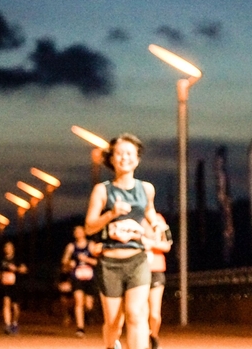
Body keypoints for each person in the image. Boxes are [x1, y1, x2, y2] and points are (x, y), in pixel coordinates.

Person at [85, 133, 160, 349]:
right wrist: (111, 214)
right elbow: (89, 226)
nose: (124, 157)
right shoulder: (102, 190)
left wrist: (156, 225)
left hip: (137, 260)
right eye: (119, 153)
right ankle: (112, 345)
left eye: (129, 153)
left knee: (136, 314)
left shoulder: (146, 189)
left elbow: (149, 209)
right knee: (113, 323)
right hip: (110, 263)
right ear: (111, 159)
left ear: (137, 159)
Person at [61, 225, 98, 337]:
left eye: (80, 231)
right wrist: (69, 263)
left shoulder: (91, 245)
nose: (78, 233)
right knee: (78, 301)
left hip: (90, 277)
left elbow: (97, 262)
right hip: (77, 277)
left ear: (84, 232)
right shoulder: (71, 246)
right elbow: (64, 261)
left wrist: (86, 259)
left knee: (88, 304)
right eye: (76, 231)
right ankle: (80, 328)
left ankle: (89, 315)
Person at [145, 213, 172, 349]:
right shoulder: (133, 216)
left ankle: (154, 335)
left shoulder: (159, 219)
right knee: (140, 311)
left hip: (156, 270)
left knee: (154, 314)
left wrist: (149, 243)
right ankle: (142, 340)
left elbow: (167, 245)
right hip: (137, 270)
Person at [0, 241, 28, 335]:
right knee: (6, 303)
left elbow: (24, 270)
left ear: (13, 249)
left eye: (9, 247)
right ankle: (7, 325)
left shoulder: (18, 259)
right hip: (5, 285)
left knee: (15, 307)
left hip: (16, 285)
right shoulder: (1, 260)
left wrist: (16, 269)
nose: (7, 249)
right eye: (6, 247)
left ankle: (14, 323)